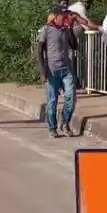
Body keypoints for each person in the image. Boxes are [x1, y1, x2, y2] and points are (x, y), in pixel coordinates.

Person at [36, 8, 77, 138]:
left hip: (66, 69)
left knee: (71, 97)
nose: (65, 19)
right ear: (55, 17)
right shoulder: (46, 29)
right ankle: (52, 127)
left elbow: (74, 46)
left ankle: (65, 123)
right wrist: (42, 70)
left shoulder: (65, 30)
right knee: (52, 100)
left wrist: (70, 28)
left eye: (66, 17)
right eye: (63, 17)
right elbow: (39, 51)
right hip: (52, 70)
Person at [66, 0, 100, 89]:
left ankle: (74, 83)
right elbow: (86, 24)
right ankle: (70, 86)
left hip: (67, 39)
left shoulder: (72, 7)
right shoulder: (80, 9)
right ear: (87, 3)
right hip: (68, 39)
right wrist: (100, 28)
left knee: (71, 61)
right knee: (70, 61)